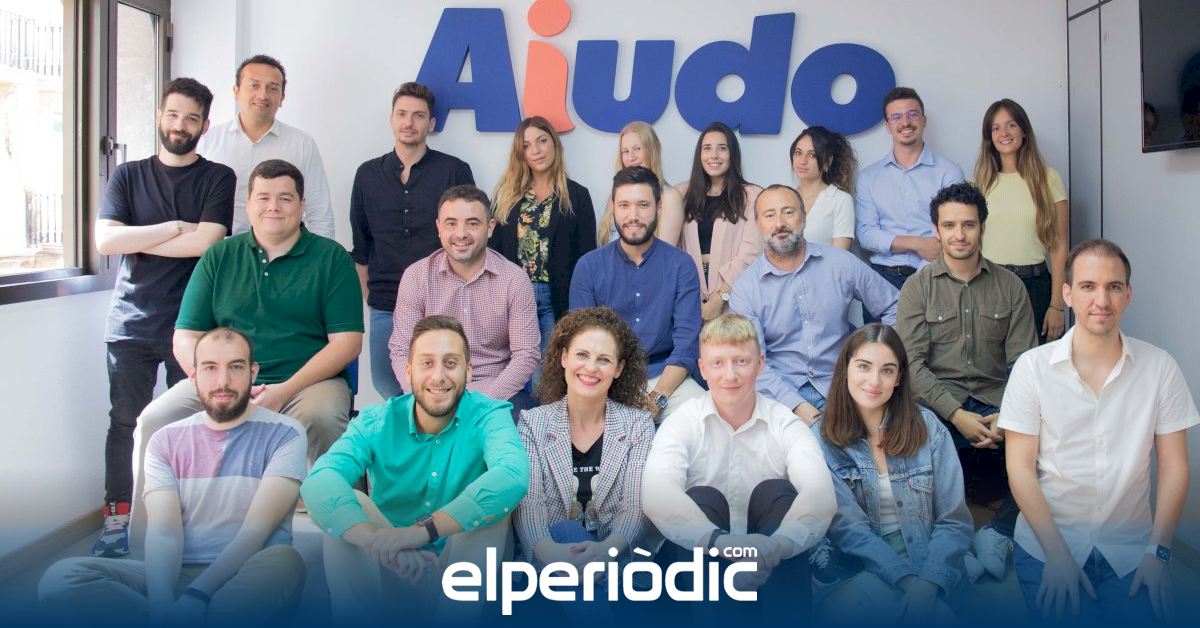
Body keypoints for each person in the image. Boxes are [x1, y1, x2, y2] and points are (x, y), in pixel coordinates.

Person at [128, 159, 363, 549]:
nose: (274, 207)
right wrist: (213, 379)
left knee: (323, 418)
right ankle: (146, 548)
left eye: (285, 198)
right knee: (155, 419)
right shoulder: (219, 256)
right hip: (224, 379)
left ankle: (343, 548)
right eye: (264, 197)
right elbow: (186, 335)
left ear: (302, 205)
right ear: (249, 203)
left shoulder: (331, 258)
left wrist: (283, 391)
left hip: (306, 382)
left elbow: (347, 343)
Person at [40, 329, 308, 624]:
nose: (223, 381)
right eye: (210, 368)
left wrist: (197, 595)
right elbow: (164, 533)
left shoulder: (285, 433)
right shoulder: (165, 440)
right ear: (193, 375)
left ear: (252, 372)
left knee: (286, 563)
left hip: (246, 571)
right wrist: (162, 604)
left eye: (235, 367)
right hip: (178, 572)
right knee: (61, 578)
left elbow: (255, 532)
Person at [1001, 239, 1198, 622]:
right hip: (1048, 546)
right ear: (1067, 294)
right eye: (1088, 286)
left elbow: (1175, 467)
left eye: (1114, 287)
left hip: (1131, 550)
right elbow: (1020, 469)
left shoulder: (1160, 368)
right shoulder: (1032, 368)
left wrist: (1158, 553)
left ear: (1128, 295)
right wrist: (1057, 555)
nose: (1102, 301)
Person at [302, 315, 529, 622]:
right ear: (408, 371)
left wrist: (420, 532)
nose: (439, 376)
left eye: (451, 363)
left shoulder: (489, 414)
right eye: (427, 363)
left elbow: (513, 475)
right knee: (348, 505)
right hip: (395, 566)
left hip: (463, 574)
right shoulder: (377, 421)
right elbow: (320, 480)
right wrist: (378, 541)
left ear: (468, 370)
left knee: (492, 508)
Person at [91, 77, 235, 557]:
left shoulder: (218, 177)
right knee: (125, 422)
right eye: (173, 115)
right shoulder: (127, 175)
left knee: (195, 424)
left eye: (191, 118)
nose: (180, 125)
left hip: (193, 326)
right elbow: (106, 242)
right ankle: (118, 521)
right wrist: (173, 227)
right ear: (159, 117)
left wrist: (138, 236)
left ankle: (188, 523)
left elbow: (206, 243)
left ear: (205, 126)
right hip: (130, 321)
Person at [643, 313, 835, 615]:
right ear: (702, 368)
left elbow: (820, 493)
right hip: (706, 575)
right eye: (718, 363)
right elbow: (657, 492)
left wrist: (777, 546)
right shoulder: (683, 421)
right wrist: (724, 544)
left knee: (776, 492)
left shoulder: (784, 422)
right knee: (702, 498)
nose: (730, 375)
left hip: (775, 572)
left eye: (741, 362)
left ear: (760, 364)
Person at [896, 181, 1037, 581]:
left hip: (997, 402)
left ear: (982, 227)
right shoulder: (917, 288)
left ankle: (999, 533)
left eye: (968, 225)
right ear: (936, 230)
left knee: (1051, 436)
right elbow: (912, 366)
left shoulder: (1010, 286)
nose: (959, 234)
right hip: (938, 404)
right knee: (902, 441)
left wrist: (1007, 414)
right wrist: (956, 414)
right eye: (949, 225)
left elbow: (1026, 366)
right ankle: (950, 546)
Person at [810, 323, 973, 623]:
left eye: (887, 370)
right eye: (864, 366)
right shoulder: (820, 440)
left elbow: (954, 521)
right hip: (860, 567)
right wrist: (908, 582)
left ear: (899, 378)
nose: (874, 381)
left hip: (929, 560)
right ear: (846, 368)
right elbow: (850, 531)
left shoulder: (929, 428)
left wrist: (928, 583)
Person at [514, 307, 655, 617]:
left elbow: (635, 508)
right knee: (566, 531)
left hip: (617, 568)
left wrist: (605, 552)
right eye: (582, 355)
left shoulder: (638, 425)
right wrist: (552, 554)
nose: (591, 368)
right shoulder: (533, 423)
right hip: (551, 568)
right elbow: (530, 506)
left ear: (618, 369)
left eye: (603, 359)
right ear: (564, 358)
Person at [729, 185, 898, 425]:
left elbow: (894, 304)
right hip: (781, 397)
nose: (779, 223)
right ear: (758, 223)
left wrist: (881, 358)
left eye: (788, 212)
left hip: (845, 386)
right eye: (769, 215)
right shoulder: (745, 288)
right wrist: (798, 408)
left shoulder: (841, 263)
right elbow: (751, 361)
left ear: (804, 217)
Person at [350, 82, 475, 399]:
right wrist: (370, 298)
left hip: (441, 300)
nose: (409, 122)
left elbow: (470, 240)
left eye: (418, 116)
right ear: (391, 119)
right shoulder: (367, 174)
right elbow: (361, 246)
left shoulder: (454, 170)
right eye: (402, 114)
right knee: (387, 383)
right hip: (386, 303)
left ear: (431, 124)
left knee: (444, 383)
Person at [388, 185, 540, 419]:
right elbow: (401, 350)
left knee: (525, 428)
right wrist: (424, 396)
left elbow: (526, 354)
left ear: (490, 228)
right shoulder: (416, 277)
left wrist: (482, 403)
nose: (461, 233)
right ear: (439, 228)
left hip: (497, 392)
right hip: (432, 387)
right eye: (451, 223)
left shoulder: (514, 280)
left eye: (472, 223)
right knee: (392, 431)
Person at [570, 166, 704, 421]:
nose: (633, 216)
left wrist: (658, 397)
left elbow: (687, 343)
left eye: (643, 205)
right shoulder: (589, 266)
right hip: (607, 378)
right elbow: (583, 341)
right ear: (613, 208)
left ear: (659, 208)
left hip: (667, 377)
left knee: (703, 417)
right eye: (624, 205)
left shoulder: (681, 265)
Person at [489, 116, 596, 359]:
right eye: (526, 145)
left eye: (542, 141)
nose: (536, 150)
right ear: (520, 153)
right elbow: (493, 254)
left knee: (550, 370)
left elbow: (587, 257)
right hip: (514, 297)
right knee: (517, 366)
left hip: (556, 298)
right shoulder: (506, 197)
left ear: (554, 143)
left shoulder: (576, 196)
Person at [199, 54, 334, 238]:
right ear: (236, 91)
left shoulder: (302, 144)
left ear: (282, 97)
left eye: (272, 88)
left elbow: (320, 213)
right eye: (254, 85)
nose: (263, 95)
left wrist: (323, 254)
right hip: (221, 249)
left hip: (285, 251)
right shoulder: (207, 140)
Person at [974, 98, 1070, 344]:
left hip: (1035, 287)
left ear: (1024, 130)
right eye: (996, 128)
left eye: (1011, 125)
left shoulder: (1048, 179)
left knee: (1035, 362)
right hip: (989, 286)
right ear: (989, 137)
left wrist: (1057, 305)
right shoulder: (980, 182)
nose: (1004, 134)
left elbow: (1060, 246)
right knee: (991, 363)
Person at [856, 87, 965, 299]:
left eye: (912, 114)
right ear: (887, 126)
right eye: (896, 117)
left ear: (924, 120)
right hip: (881, 281)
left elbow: (954, 230)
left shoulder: (949, 172)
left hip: (934, 276)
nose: (905, 122)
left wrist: (920, 277)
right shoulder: (869, 177)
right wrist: (918, 244)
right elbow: (866, 234)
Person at [676, 122, 763, 322]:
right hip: (689, 299)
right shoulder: (681, 194)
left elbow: (750, 254)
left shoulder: (752, 196)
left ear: (732, 154)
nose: (713, 155)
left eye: (722, 148)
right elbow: (673, 250)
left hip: (735, 301)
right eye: (707, 148)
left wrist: (720, 299)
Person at [596, 121, 685, 247]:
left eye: (637, 149)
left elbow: (664, 255)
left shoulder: (669, 197)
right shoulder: (617, 193)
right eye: (625, 151)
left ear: (654, 149)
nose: (631, 158)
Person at [790, 126, 857, 250]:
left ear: (827, 162)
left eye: (812, 155)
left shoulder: (840, 200)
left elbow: (840, 256)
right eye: (798, 153)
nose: (802, 161)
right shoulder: (786, 197)